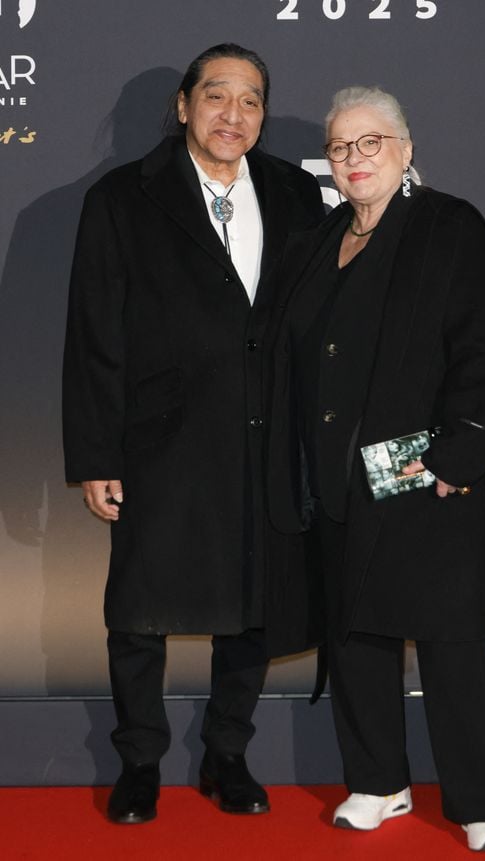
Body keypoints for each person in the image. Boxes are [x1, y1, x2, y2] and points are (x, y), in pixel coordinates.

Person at [62, 43, 324, 824]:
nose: (232, 115)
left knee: (251, 602)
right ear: (183, 106)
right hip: (160, 440)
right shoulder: (121, 197)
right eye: (216, 96)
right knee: (139, 608)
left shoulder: (293, 192)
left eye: (250, 101)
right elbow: (93, 334)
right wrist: (96, 455)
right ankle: (138, 759)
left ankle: (225, 753)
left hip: (264, 433)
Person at [267, 86, 485, 853]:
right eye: (341, 147)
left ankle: (481, 802)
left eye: (370, 142)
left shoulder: (450, 226)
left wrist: (461, 451)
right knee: (356, 638)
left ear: (406, 151)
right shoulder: (316, 244)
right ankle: (379, 782)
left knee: (454, 643)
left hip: (434, 476)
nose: (354, 159)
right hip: (340, 480)